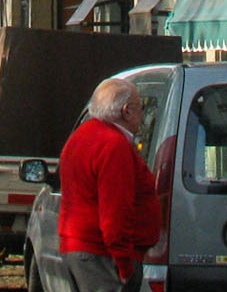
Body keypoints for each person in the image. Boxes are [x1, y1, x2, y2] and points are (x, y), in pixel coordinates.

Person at [56, 78, 161, 292]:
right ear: (126, 111)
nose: (143, 113)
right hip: (102, 254)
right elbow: (115, 214)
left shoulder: (81, 137)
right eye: (141, 107)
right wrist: (124, 266)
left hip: (79, 247)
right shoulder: (113, 146)